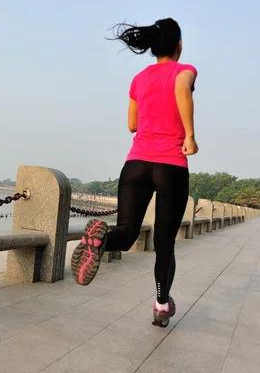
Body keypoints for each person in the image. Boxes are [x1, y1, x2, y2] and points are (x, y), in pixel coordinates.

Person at [70, 17, 198, 327]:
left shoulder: (139, 79)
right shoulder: (185, 71)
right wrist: (190, 136)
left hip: (136, 164)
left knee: (126, 233)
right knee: (165, 243)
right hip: (170, 166)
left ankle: (100, 240)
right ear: (179, 46)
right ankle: (161, 305)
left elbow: (132, 125)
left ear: (153, 47)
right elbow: (182, 89)